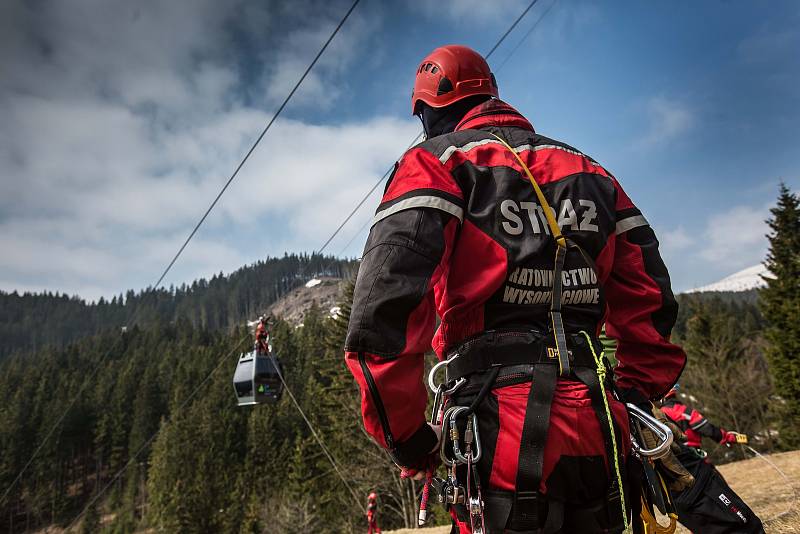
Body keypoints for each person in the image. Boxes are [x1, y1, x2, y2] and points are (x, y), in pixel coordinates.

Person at [345, 44, 691, 533]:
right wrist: (635, 389)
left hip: (498, 429)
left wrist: (406, 437)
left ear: (428, 110)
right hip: (600, 418)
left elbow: (384, 315)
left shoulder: (433, 162)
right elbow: (649, 296)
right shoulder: (590, 172)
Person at [661, 386, 765, 533]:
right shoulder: (684, 411)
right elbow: (708, 429)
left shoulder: (653, 416)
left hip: (670, 471)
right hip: (696, 463)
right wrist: (727, 437)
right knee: (725, 497)